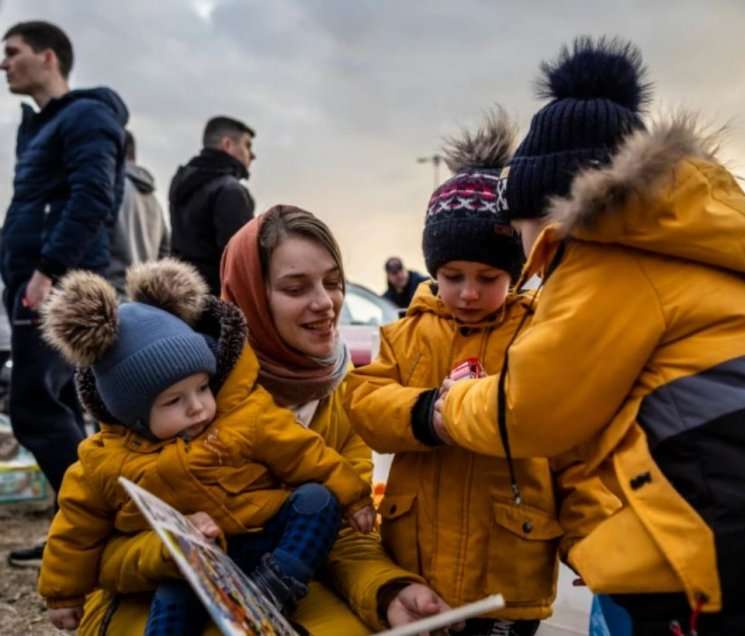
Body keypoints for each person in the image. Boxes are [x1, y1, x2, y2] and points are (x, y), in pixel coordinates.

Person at [434, 37, 745, 633]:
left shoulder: (605, 256)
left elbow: (527, 412)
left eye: (515, 227)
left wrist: (450, 405)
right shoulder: (714, 253)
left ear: (542, 214)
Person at [78, 206, 457, 635]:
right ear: (249, 297)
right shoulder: (171, 383)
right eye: (296, 288)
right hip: (156, 596)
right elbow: (97, 553)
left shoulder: (340, 391)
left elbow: (346, 530)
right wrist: (174, 552)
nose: (324, 303)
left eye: (333, 283)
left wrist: (388, 591)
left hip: (283, 585)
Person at [37, 259, 375, 633]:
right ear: (134, 415)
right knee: (171, 597)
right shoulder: (104, 462)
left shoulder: (244, 418)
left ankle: (274, 589)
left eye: (201, 388)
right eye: (173, 401)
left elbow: (304, 452)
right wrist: (63, 595)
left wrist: (354, 497)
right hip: (190, 568)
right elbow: (74, 530)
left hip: (262, 539)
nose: (197, 406)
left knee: (317, 501)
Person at [347, 110, 563, 636]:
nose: (468, 292)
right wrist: (429, 415)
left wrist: (590, 536)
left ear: (514, 272)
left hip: (507, 575)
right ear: (432, 271)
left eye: (487, 277)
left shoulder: (538, 333)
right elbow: (365, 405)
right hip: (418, 563)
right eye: (452, 276)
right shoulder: (406, 334)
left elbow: (570, 443)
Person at [0, 20, 127, 567]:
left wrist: (47, 271)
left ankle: (94, 526)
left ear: (48, 57)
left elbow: (94, 195)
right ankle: (78, 529)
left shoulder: (87, 115)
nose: (3, 63)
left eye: (13, 52)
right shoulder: (37, 127)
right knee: (61, 408)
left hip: (55, 283)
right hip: (30, 279)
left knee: (33, 405)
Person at [169, 115, 256, 296]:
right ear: (227, 145)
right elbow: (241, 264)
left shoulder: (182, 184)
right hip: (218, 304)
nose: (252, 155)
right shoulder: (230, 190)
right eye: (247, 145)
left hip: (182, 297)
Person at [105, 130, 170, 296]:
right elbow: (165, 254)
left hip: (108, 293)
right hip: (142, 298)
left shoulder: (109, 189)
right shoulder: (154, 200)